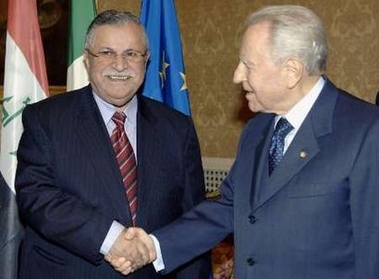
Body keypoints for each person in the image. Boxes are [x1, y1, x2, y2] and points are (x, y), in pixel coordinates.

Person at [109, 5, 379, 279]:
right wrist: (153, 246)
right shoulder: (257, 129)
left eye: (247, 65)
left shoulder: (367, 132)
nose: (237, 76)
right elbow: (229, 207)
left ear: (292, 71)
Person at [15, 10, 211, 279]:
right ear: (87, 59)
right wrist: (111, 238)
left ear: (146, 60)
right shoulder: (45, 119)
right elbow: (36, 196)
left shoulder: (177, 128)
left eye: (131, 54)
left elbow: (192, 222)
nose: (120, 65)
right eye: (106, 52)